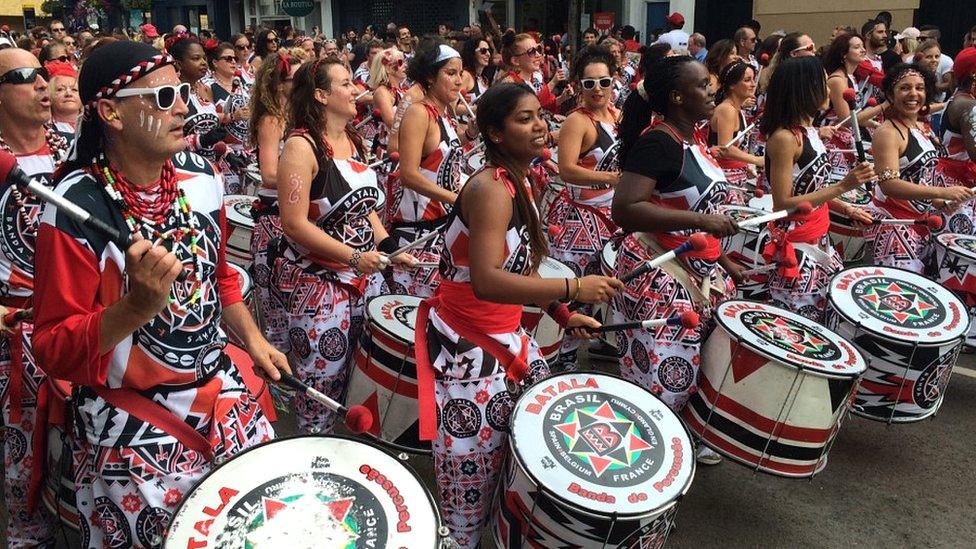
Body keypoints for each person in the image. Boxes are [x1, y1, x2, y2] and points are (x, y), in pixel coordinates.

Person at [33, 40, 285, 547]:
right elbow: (53, 346)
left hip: (222, 397)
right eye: (164, 97)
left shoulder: (201, 177)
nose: (184, 108)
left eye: (183, 93)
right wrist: (136, 308)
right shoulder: (72, 210)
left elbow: (219, 278)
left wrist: (254, 342)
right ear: (111, 112)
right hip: (132, 426)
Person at [414, 81, 616, 549]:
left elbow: (518, 263)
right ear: (495, 133)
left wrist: (563, 313)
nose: (540, 127)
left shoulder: (519, 180)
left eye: (539, 117)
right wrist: (574, 286)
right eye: (524, 119)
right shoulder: (489, 188)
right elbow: (485, 279)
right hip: (469, 347)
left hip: (504, 338)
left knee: (518, 463)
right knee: (468, 486)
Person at [611, 56, 742, 466]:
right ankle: (644, 458)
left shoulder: (692, 139)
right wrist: (702, 221)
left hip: (694, 270)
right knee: (661, 377)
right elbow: (626, 208)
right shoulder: (658, 142)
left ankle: (678, 441)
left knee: (698, 367)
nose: (711, 91)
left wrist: (723, 260)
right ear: (676, 96)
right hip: (661, 275)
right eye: (703, 85)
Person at [273, 58, 413, 434]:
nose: (356, 90)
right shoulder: (301, 146)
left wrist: (389, 247)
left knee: (360, 380)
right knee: (320, 391)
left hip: (366, 282)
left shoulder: (355, 140)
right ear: (321, 95)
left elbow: (367, 210)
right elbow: (294, 223)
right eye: (347, 83)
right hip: (320, 289)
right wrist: (353, 256)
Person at [0, 46, 71, 549]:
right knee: (22, 462)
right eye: (26, 76)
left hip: (82, 322)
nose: (43, 84)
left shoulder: (76, 144)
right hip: (13, 335)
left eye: (44, 74)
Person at [761, 56, 874, 321]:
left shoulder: (810, 130)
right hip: (798, 246)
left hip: (819, 238)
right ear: (802, 88)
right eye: (821, 83)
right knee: (800, 323)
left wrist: (847, 207)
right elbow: (784, 203)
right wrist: (845, 185)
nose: (828, 90)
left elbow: (815, 190)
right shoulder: (785, 138)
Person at [548, 46, 621, 366]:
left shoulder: (617, 115)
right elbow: (566, 169)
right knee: (576, 290)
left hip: (612, 217)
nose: (597, 90)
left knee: (602, 287)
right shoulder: (577, 121)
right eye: (589, 84)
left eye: (603, 82)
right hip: (582, 220)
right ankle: (562, 356)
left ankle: (599, 339)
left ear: (614, 80)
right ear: (578, 86)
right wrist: (612, 178)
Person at [389, 40, 472, 297]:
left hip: (442, 227)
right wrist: (456, 199)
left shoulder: (444, 114)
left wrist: (471, 132)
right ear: (429, 77)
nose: (459, 81)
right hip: (418, 233)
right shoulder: (418, 113)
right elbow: (409, 174)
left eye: (460, 73)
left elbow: (441, 158)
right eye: (450, 73)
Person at [873, 63, 971, 270]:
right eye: (905, 88)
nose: (913, 94)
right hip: (894, 226)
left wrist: (938, 201)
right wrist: (942, 191)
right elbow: (889, 184)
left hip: (920, 222)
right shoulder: (888, 132)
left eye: (919, 87)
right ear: (891, 94)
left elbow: (918, 177)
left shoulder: (920, 127)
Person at [249, 52, 299, 354]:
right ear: (279, 85)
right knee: (276, 306)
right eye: (294, 78)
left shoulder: (293, 115)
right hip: (274, 221)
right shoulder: (271, 119)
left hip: (291, 212)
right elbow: (268, 173)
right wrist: (305, 177)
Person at [823, 33, 886, 183]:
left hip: (845, 139)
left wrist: (875, 124)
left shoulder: (850, 77)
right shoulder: (838, 80)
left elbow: (854, 115)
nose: (863, 50)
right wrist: (884, 106)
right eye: (857, 47)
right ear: (844, 54)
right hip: (832, 141)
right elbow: (847, 120)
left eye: (863, 46)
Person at [710, 60, 762, 194]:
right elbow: (725, 148)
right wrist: (756, 160)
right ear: (732, 85)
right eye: (747, 80)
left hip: (735, 177)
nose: (753, 84)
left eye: (753, 79)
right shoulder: (727, 110)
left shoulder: (736, 109)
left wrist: (744, 165)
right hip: (725, 178)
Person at [499, 31, 570, 113]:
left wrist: (562, 98)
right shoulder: (510, 83)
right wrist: (553, 82)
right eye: (531, 52)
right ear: (515, 60)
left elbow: (545, 106)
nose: (538, 55)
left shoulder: (536, 77)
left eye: (538, 49)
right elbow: (533, 106)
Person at [47, 60, 81, 132]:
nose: (69, 94)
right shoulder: (44, 130)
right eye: (60, 89)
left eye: (74, 89)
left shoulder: (93, 126)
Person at [460, 36, 491, 102]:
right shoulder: (465, 76)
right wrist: (477, 108)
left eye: (489, 50)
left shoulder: (484, 79)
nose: (488, 54)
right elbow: (453, 107)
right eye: (483, 51)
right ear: (472, 53)